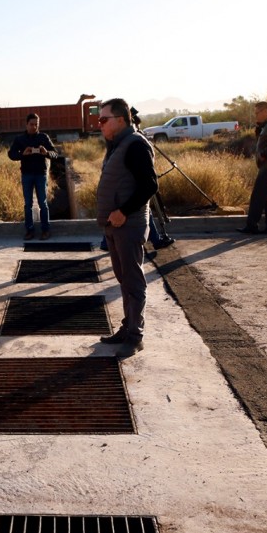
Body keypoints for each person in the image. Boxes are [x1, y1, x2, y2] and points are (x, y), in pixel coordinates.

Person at [96, 99, 158, 358]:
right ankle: (127, 326)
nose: (99, 124)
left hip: (128, 225)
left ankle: (135, 335)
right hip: (115, 226)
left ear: (120, 120)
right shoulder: (118, 144)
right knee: (124, 279)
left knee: (133, 281)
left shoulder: (135, 145)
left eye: (103, 119)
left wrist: (123, 211)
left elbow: (149, 185)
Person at [7, 113, 58, 240]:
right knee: (28, 204)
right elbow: (11, 154)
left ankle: (45, 230)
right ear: (26, 124)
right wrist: (22, 154)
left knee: (43, 203)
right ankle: (29, 230)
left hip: (41, 174)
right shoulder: (20, 139)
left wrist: (46, 153)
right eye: (31, 124)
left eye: (36, 125)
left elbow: (55, 153)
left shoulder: (43, 137)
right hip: (27, 174)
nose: (34, 127)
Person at [238, 101, 267, 234]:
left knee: (258, 196)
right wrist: (259, 129)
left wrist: (264, 155)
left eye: (258, 113)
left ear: (265, 111)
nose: (256, 115)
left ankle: (252, 226)